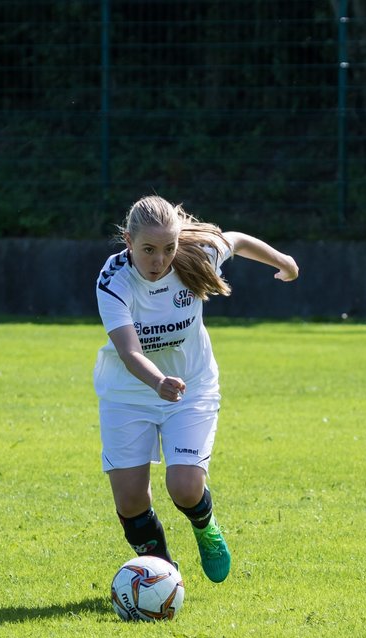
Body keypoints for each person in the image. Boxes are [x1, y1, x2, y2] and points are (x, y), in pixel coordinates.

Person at [94, 195, 299, 582]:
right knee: (131, 500)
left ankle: (206, 529)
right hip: (129, 391)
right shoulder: (114, 279)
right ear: (128, 242)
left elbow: (235, 240)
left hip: (192, 386)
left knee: (186, 487)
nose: (159, 260)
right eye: (149, 250)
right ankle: (162, 575)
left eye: (168, 249)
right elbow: (128, 350)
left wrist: (283, 262)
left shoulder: (198, 254)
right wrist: (157, 381)